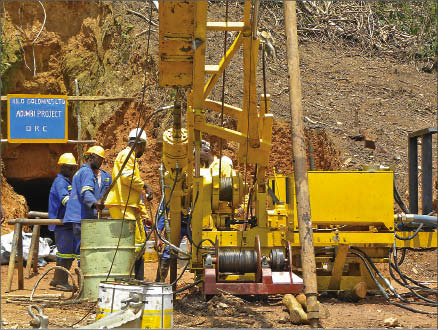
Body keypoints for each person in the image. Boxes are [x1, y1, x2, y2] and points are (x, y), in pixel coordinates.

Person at [155, 140, 215, 282]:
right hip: (178, 222)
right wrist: (158, 233)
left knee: (201, 251)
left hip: (196, 224)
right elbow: (164, 208)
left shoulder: (207, 177)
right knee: (169, 252)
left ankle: (202, 281)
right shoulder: (182, 178)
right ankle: (159, 282)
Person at [106, 128, 153, 280]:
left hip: (128, 205)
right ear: (140, 144)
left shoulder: (129, 156)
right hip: (121, 204)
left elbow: (134, 193)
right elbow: (128, 178)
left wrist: (144, 213)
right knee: (130, 244)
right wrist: (145, 185)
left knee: (138, 243)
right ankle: (127, 278)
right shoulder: (127, 155)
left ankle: (136, 278)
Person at [62, 146, 106, 270]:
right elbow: (86, 193)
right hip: (82, 218)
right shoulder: (87, 172)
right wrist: (95, 203)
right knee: (85, 251)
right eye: (100, 160)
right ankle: (84, 282)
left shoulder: (80, 171)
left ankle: (83, 279)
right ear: (92, 157)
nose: (101, 163)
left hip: (77, 217)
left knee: (82, 249)